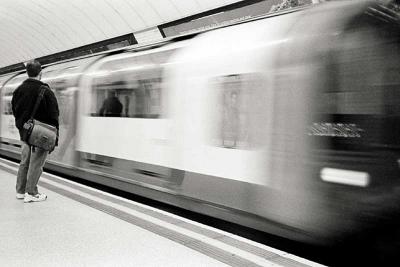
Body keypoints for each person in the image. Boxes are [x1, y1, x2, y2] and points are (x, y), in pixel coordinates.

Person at [11, 60, 59, 203]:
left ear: (27, 73)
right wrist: (55, 137)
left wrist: (23, 127)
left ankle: (20, 191)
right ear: (40, 73)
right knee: (36, 164)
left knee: (25, 161)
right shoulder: (46, 91)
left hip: (25, 132)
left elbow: (15, 111)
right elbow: (54, 115)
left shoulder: (18, 90)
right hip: (41, 133)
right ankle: (31, 193)